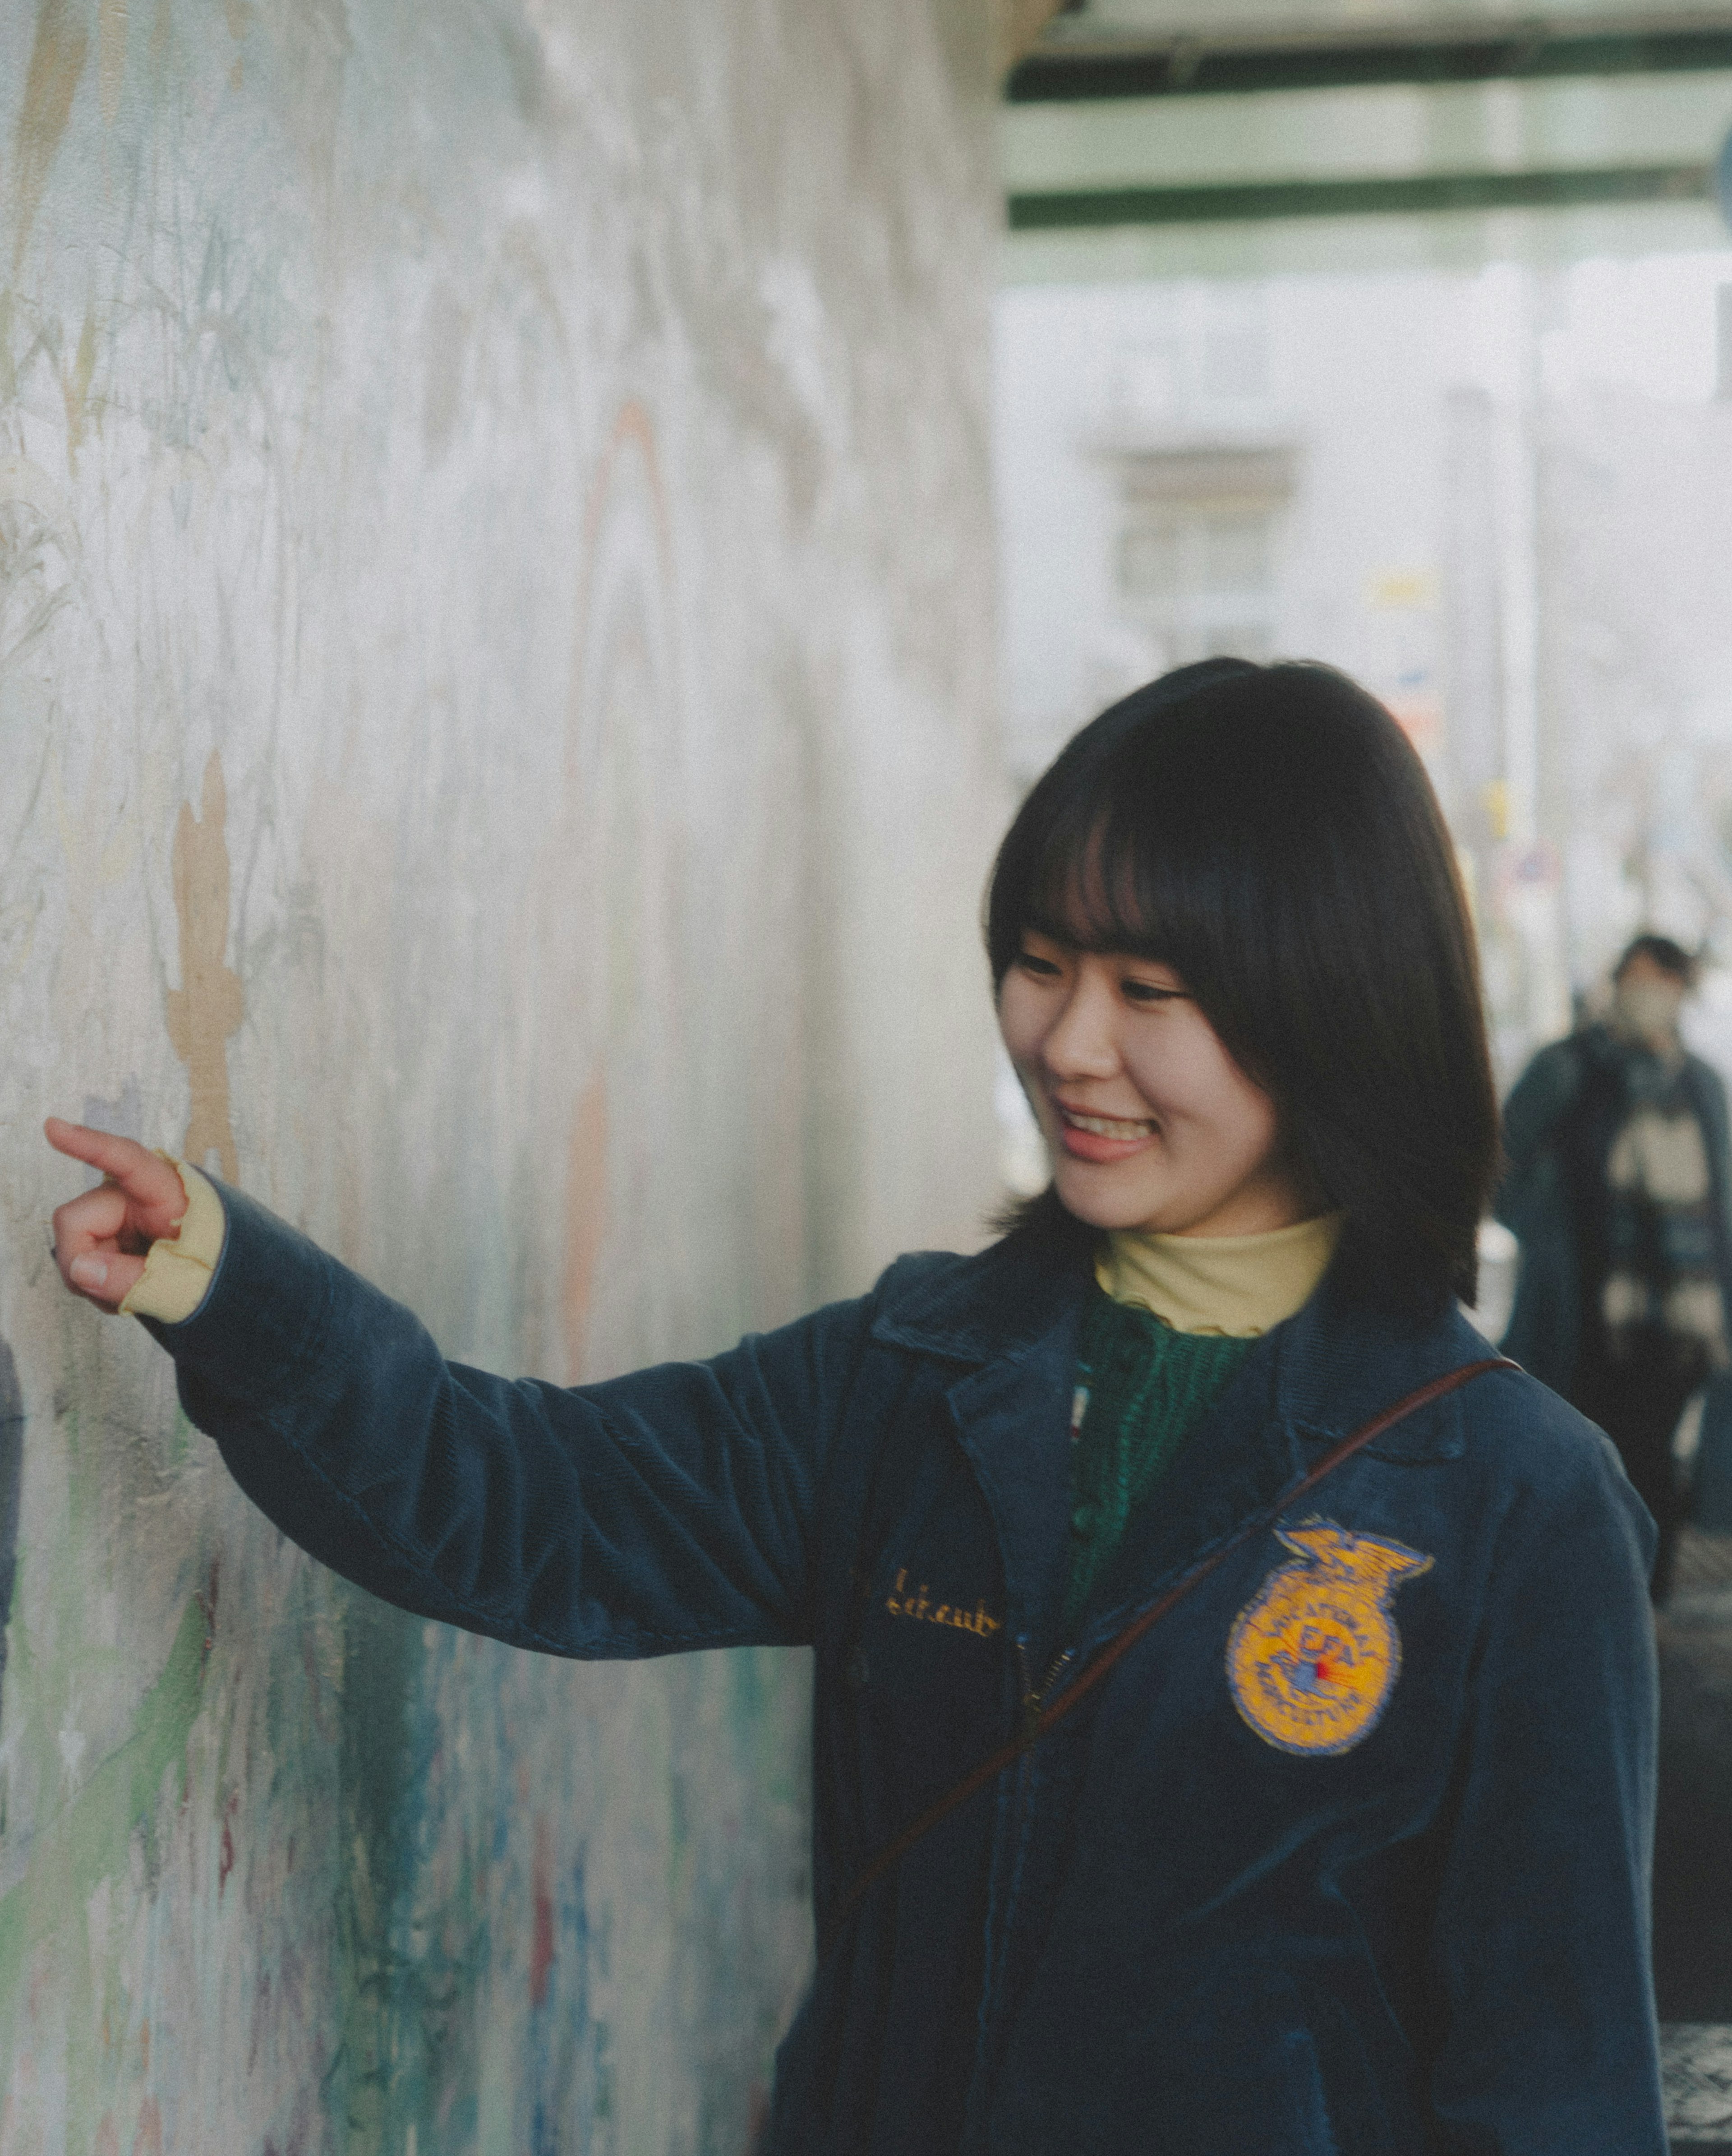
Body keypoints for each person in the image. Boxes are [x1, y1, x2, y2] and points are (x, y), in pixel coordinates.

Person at [46, 660, 1665, 2156]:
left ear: (1333, 1010)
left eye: (1150, 988)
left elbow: (1559, 2081)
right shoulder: (912, 1374)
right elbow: (528, 1502)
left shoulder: (1513, 1498)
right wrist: (231, 1285)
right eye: (1039, 965)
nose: (1070, 1044)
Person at [1497, 932, 1732, 1603]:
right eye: (1635, 977)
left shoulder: (1701, 1084)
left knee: (1653, 1465)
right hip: (1588, 1316)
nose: (1648, 994)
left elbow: (1718, 1202)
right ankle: (1588, 1602)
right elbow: (1504, 1163)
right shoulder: (1572, 1068)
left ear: (1683, 992)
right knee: (1586, 1463)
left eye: (1663, 981)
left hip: (1680, 1321)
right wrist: (1542, 1235)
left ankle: (1642, 1607)